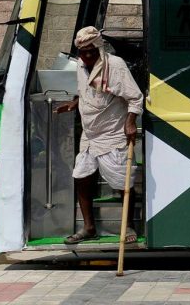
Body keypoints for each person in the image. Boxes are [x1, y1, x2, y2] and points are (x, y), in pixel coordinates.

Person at [55, 27, 144, 244]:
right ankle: (89, 227)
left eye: (91, 50)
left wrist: (130, 122)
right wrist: (75, 103)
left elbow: (135, 98)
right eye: (83, 51)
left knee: (122, 180)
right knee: (81, 176)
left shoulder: (115, 65)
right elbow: (87, 90)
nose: (87, 55)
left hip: (113, 131)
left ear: (99, 47)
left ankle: (128, 225)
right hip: (90, 134)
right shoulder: (81, 65)